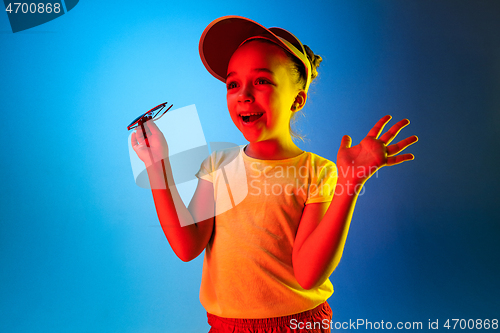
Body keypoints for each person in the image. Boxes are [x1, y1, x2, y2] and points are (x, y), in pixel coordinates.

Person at [131, 16, 418, 333]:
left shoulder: (317, 172)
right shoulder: (217, 165)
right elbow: (187, 248)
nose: (244, 94)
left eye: (262, 81)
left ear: (297, 99)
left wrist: (349, 184)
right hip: (225, 326)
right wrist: (156, 167)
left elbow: (308, 274)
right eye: (233, 84)